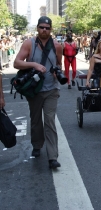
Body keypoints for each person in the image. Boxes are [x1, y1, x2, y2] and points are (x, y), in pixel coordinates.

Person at [13, 16, 62, 169]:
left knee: (49, 121)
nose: (44, 30)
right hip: (34, 89)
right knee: (35, 121)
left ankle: (52, 156)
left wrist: (56, 72)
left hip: (51, 89)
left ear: (51, 29)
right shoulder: (29, 43)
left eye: (47, 28)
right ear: (37, 28)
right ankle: (37, 145)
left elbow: (58, 63)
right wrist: (33, 64)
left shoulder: (57, 46)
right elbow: (16, 62)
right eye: (41, 27)